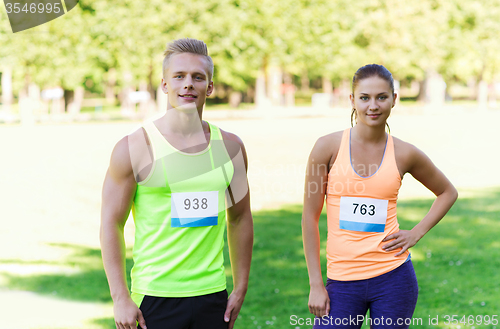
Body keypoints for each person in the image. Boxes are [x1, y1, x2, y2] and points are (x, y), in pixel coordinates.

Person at [100, 38, 253, 329]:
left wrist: (240, 286)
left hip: (212, 295)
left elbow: (241, 217)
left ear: (209, 87)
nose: (188, 84)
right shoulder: (135, 147)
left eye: (198, 77)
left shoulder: (230, 147)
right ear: (164, 85)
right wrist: (120, 296)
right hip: (154, 296)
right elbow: (110, 222)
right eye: (179, 76)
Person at [302, 64, 458, 329]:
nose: (372, 106)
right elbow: (309, 217)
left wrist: (416, 232)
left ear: (394, 100)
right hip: (341, 280)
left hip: (393, 278)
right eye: (364, 98)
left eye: (381, 97)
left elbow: (447, 192)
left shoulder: (405, 153)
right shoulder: (326, 148)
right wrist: (316, 284)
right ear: (352, 100)